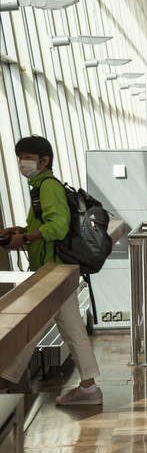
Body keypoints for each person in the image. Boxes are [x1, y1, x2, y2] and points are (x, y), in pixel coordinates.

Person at [0, 135, 102, 405]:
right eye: (19, 157)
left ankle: (3, 382)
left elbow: (57, 227)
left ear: (44, 161)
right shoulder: (41, 186)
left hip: (53, 272)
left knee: (29, 330)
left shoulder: (47, 186)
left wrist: (24, 239)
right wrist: (21, 232)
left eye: (26, 158)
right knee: (69, 329)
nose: (22, 163)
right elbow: (50, 225)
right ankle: (90, 389)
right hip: (54, 270)